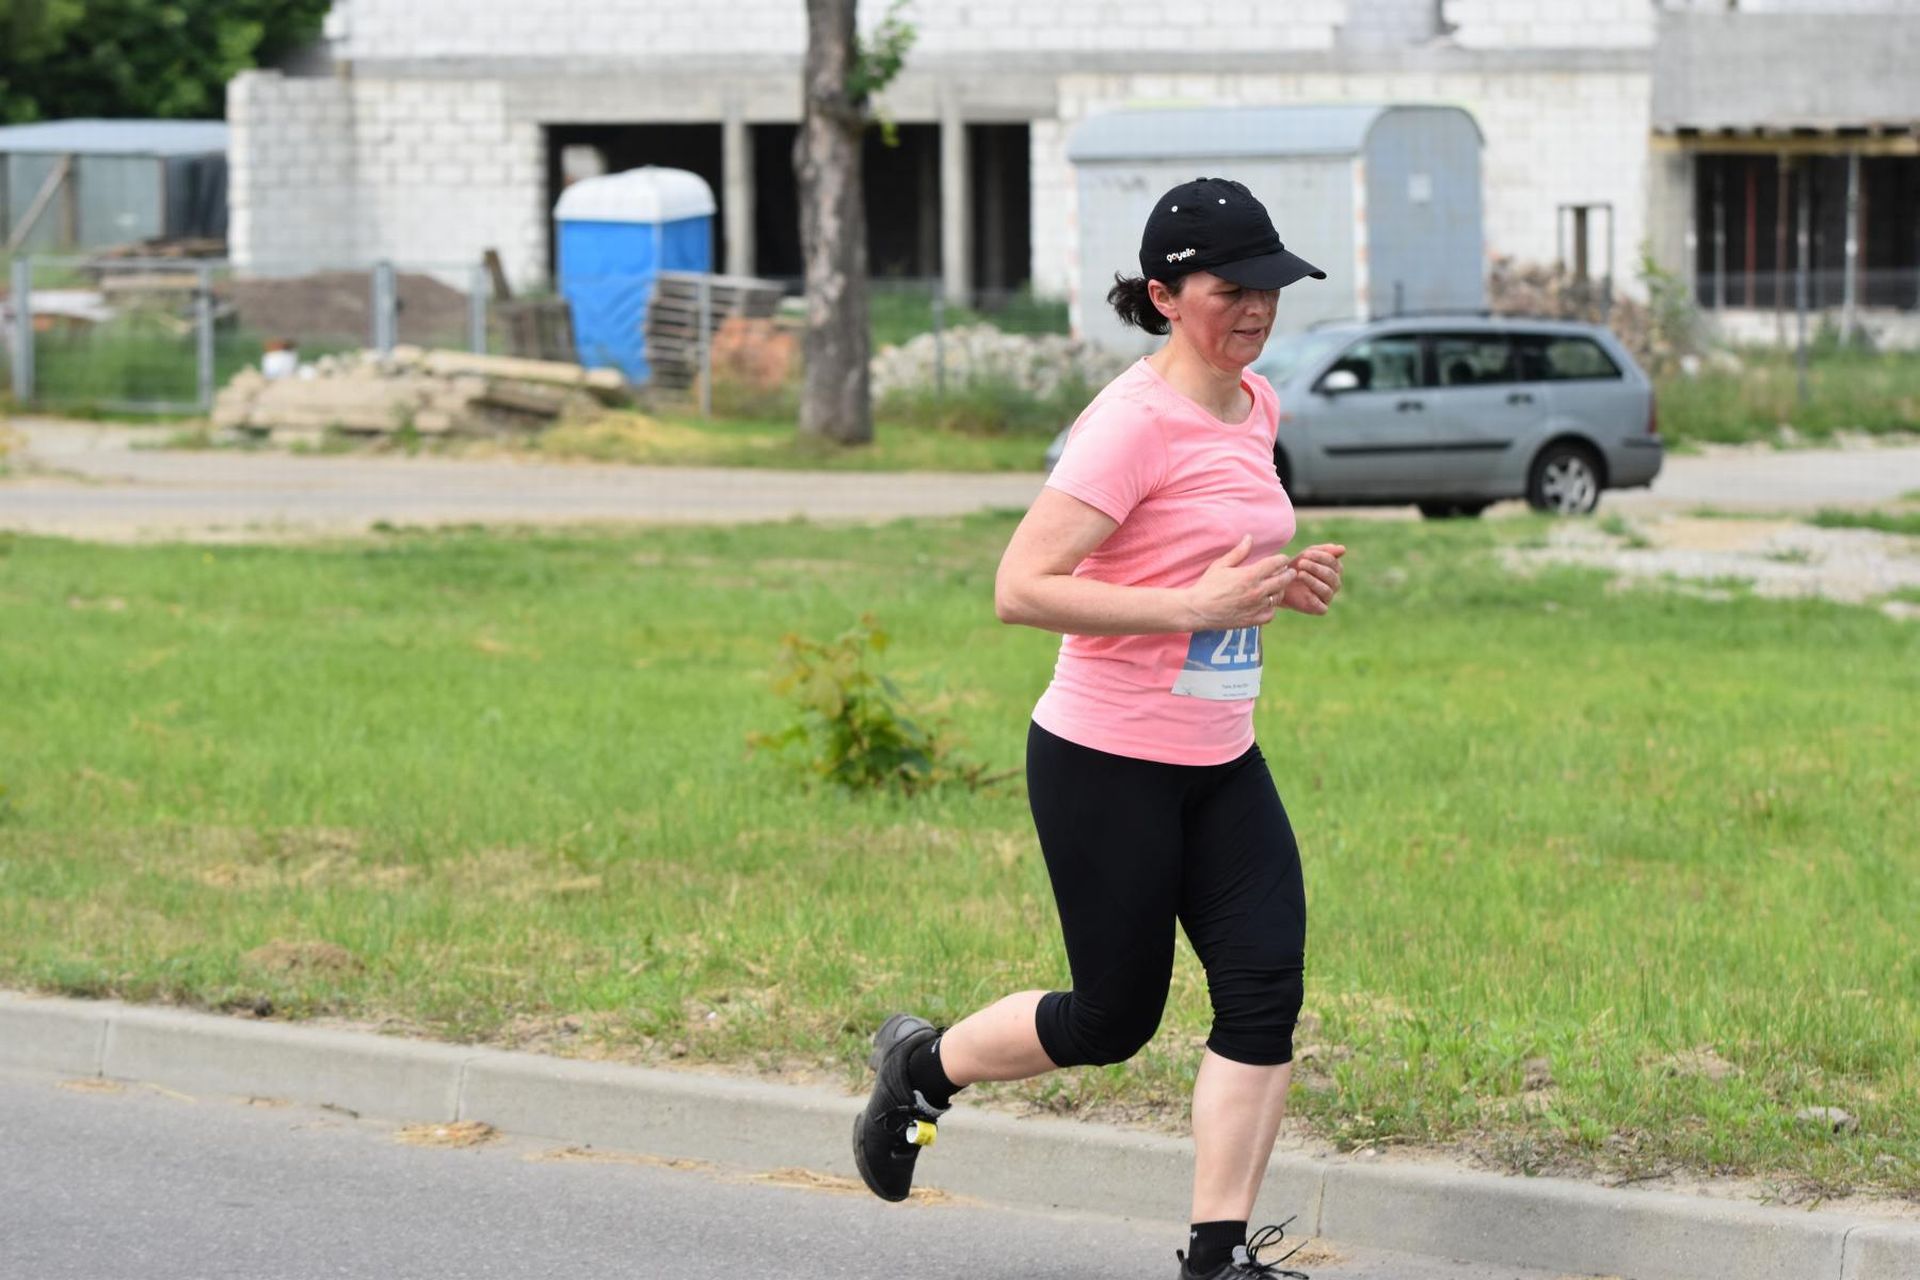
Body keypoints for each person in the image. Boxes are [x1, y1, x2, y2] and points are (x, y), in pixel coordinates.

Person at [853, 177, 1347, 1280]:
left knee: (1264, 991)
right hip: (1106, 760)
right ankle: (922, 1067)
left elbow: (1210, 555)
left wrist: (1280, 582)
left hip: (1222, 757)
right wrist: (1191, 607)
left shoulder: (1257, 403)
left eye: (1271, 286)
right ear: (1166, 296)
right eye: (1232, 289)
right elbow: (1019, 587)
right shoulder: (1127, 423)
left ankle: (1217, 1259)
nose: (1258, 308)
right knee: (1112, 1020)